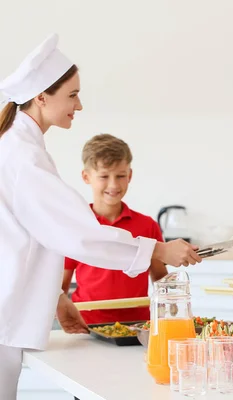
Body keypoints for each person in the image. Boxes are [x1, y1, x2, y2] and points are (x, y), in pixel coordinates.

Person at [0, 34, 200, 399]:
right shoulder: (22, 157)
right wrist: (158, 249)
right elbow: (79, 235)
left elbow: (30, 235)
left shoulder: (16, 146)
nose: (79, 105)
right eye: (72, 95)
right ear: (42, 96)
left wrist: (57, 299)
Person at [62, 134, 169, 324]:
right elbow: (60, 285)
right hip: (87, 324)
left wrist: (170, 306)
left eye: (120, 176)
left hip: (138, 325)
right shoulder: (75, 226)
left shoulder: (147, 225)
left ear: (130, 175)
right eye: (104, 176)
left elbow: (160, 278)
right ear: (86, 177)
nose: (113, 185)